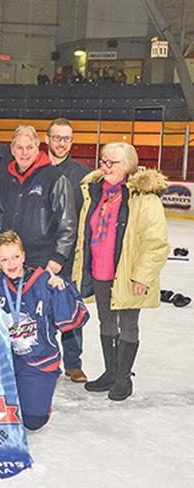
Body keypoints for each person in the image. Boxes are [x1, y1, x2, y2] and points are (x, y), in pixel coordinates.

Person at [72, 142, 169, 401]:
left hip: (127, 273)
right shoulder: (94, 192)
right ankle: (110, 372)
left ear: (127, 166)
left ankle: (123, 378)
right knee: (106, 321)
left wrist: (142, 276)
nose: (104, 167)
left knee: (128, 324)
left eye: (111, 163)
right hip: (99, 270)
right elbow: (86, 234)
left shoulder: (143, 198)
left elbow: (155, 242)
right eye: (102, 161)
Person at [0, 231, 89, 430]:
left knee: (33, 421)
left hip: (38, 361)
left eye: (16, 257)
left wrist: (61, 291)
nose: (11, 263)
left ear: (24, 256)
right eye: (5, 259)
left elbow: (75, 321)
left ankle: (34, 397)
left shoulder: (45, 281)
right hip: (3, 363)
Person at [0, 125, 76, 278]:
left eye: (29, 147)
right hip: (11, 262)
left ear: (37, 148)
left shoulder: (55, 178)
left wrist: (58, 257)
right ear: (12, 150)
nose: (24, 153)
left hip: (43, 261)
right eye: (19, 148)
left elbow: (68, 223)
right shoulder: (3, 181)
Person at [45, 117, 93, 383]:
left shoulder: (83, 174)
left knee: (69, 306)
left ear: (72, 141)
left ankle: (74, 362)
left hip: (70, 254)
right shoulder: (38, 168)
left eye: (66, 138)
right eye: (56, 137)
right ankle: (46, 357)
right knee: (40, 307)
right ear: (47, 139)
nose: (61, 143)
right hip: (39, 251)